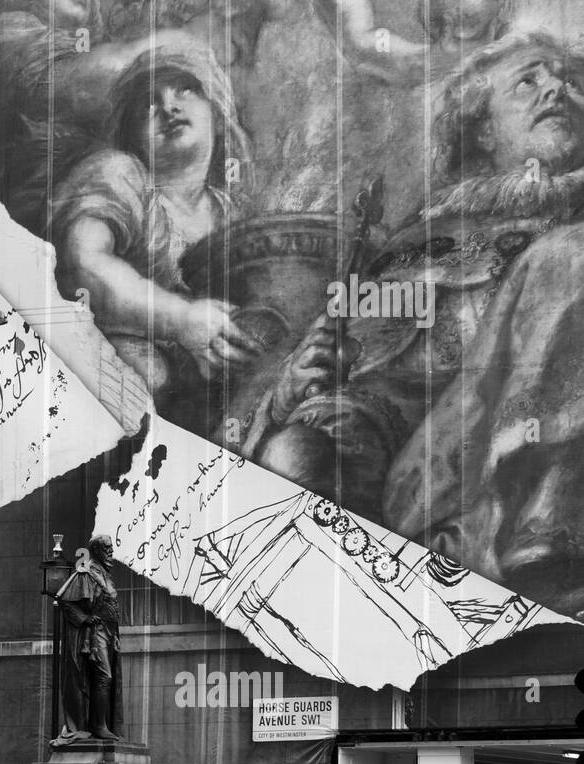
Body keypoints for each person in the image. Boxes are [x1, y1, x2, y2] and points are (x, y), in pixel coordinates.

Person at [248, 32, 584, 614]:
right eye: (528, 80)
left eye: (569, 80)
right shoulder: (417, 240)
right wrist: (290, 396)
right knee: (294, 455)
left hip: (517, 449)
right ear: (481, 130)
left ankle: (544, 542)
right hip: (434, 464)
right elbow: (346, 391)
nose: (559, 87)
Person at [52, 42, 260, 428]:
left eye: (185, 89)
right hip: (127, 368)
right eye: (149, 103)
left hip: (214, 394)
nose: (168, 107)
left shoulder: (235, 213)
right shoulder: (121, 176)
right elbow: (85, 261)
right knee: (144, 371)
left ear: (215, 112)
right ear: (133, 135)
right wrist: (181, 319)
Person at [54, 534, 124, 744]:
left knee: (106, 679)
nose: (111, 551)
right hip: (94, 634)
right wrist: (85, 619)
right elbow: (65, 601)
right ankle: (98, 726)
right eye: (107, 548)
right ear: (96, 550)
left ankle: (101, 724)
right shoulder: (86, 573)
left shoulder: (103, 574)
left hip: (109, 634)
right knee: (104, 677)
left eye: (112, 547)